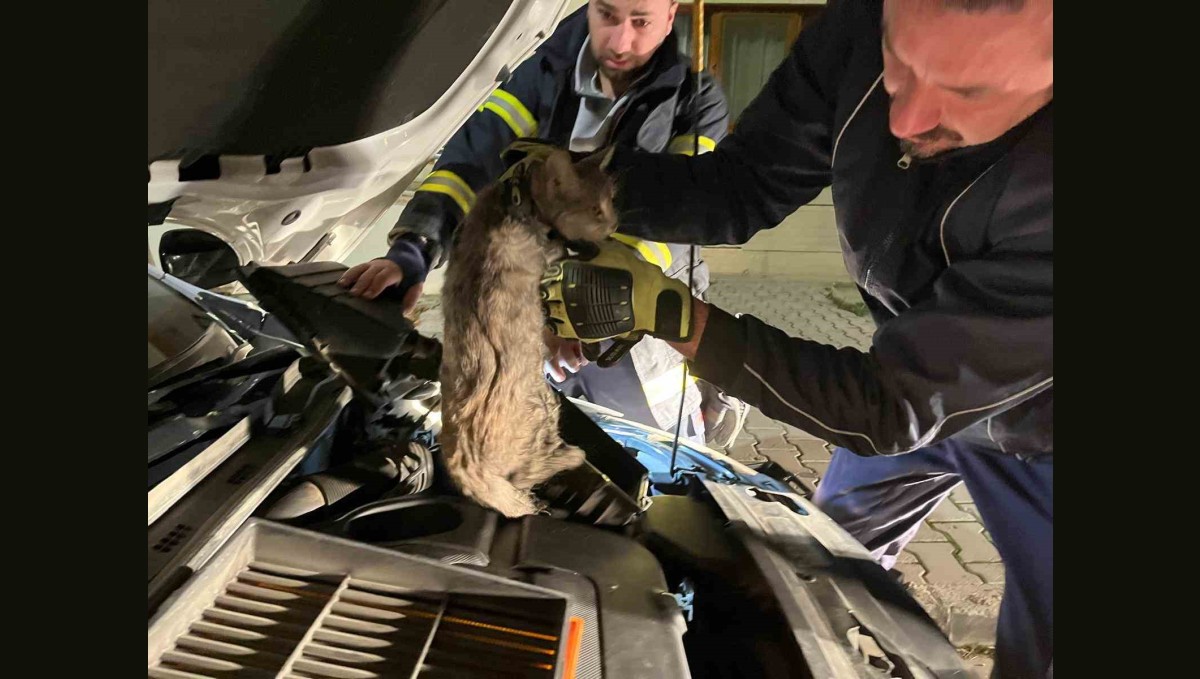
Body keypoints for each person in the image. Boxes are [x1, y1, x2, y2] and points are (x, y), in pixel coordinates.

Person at [554, 1, 1053, 676]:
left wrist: (675, 318)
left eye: (965, 92)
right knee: (818, 568)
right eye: (899, 66)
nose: (902, 119)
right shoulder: (856, 32)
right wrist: (585, 188)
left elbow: (888, 408)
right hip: (912, 368)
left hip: (1040, 430)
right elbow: (739, 186)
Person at [340, 0, 747, 444]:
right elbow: (468, 165)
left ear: (671, 15)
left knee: (655, 450)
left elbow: (681, 215)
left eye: (641, 21)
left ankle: (708, 414)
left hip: (638, 314)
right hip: (532, 299)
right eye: (607, 16)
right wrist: (413, 250)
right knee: (528, 443)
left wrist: (597, 301)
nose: (620, 40)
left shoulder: (698, 100)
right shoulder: (536, 78)